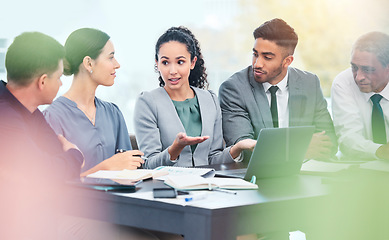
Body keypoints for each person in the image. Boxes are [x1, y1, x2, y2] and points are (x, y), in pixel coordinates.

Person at [0, 32, 84, 240]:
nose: (61, 84)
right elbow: (47, 173)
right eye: (59, 77)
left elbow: (53, 155)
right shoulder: (6, 117)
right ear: (43, 81)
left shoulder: (28, 109)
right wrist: (74, 155)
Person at [134, 26, 256, 169]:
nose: (172, 71)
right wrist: (175, 148)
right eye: (165, 62)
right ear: (157, 63)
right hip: (167, 188)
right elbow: (148, 165)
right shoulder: (147, 102)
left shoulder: (210, 100)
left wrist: (238, 147)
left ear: (192, 62)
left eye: (180, 62)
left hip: (206, 185)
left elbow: (213, 159)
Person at [219, 18, 337, 161]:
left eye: (267, 57)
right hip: (256, 178)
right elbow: (245, 150)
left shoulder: (309, 84)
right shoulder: (233, 89)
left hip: (305, 173)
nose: (257, 64)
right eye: (255, 54)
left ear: (287, 61)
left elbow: (328, 142)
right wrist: (301, 148)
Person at [44, 28, 144, 176]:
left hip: (120, 198)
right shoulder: (52, 117)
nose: (117, 64)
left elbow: (130, 168)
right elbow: (52, 184)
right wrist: (105, 167)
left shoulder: (113, 113)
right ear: (89, 63)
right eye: (110, 57)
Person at [331, 31, 389, 161]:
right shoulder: (343, 83)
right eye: (354, 67)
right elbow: (348, 139)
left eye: (368, 69)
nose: (358, 77)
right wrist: (381, 151)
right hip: (356, 168)